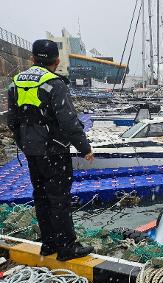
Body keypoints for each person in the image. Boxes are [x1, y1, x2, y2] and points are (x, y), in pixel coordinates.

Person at [7, 39, 95, 261]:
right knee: (59, 199)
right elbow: (69, 122)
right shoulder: (54, 84)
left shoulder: (15, 82)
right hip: (54, 152)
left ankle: (48, 245)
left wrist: (24, 144)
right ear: (56, 61)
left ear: (33, 59)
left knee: (41, 196)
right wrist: (84, 148)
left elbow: (12, 121)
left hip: (32, 153)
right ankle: (66, 248)